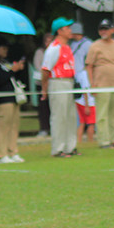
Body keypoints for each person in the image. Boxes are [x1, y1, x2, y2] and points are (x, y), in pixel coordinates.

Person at [85, 19, 114, 148]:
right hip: (101, 84)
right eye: (101, 29)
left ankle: (113, 139)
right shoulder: (95, 46)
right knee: (102, 114)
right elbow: (89, 66)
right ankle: (104, 140)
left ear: (112, 30)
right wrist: (92, 84)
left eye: (106, 29)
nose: (103, 32)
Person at [41, 18, 78, 157]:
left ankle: (70, 146)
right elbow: (45, 70)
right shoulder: (54, 48)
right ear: (59, 31)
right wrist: (44, 89)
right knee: (59, 116)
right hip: (58, 82)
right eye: (67, 28)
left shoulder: (67, 47)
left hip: (69, 82)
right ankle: (58, 148)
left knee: (70, 116)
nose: (70, 31)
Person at [0, 38, 26, 164]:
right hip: (3, 99)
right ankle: (1, 154)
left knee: (14, 126)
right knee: (2, 127)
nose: (6, 51)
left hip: (14, 98)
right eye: (3, 48)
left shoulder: (6, 62)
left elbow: (14, 77)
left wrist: (18, 69)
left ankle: (12, 152)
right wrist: (12, 71)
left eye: (6, 48)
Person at [32, 32, 53, 137]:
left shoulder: (54, 52)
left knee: (52, 107)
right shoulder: (40, 52)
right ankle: (44, 128)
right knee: (43, 107)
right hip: (41, 83)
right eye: (47, 41)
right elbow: (38, 66)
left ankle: (53, 127)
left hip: (52, 84)